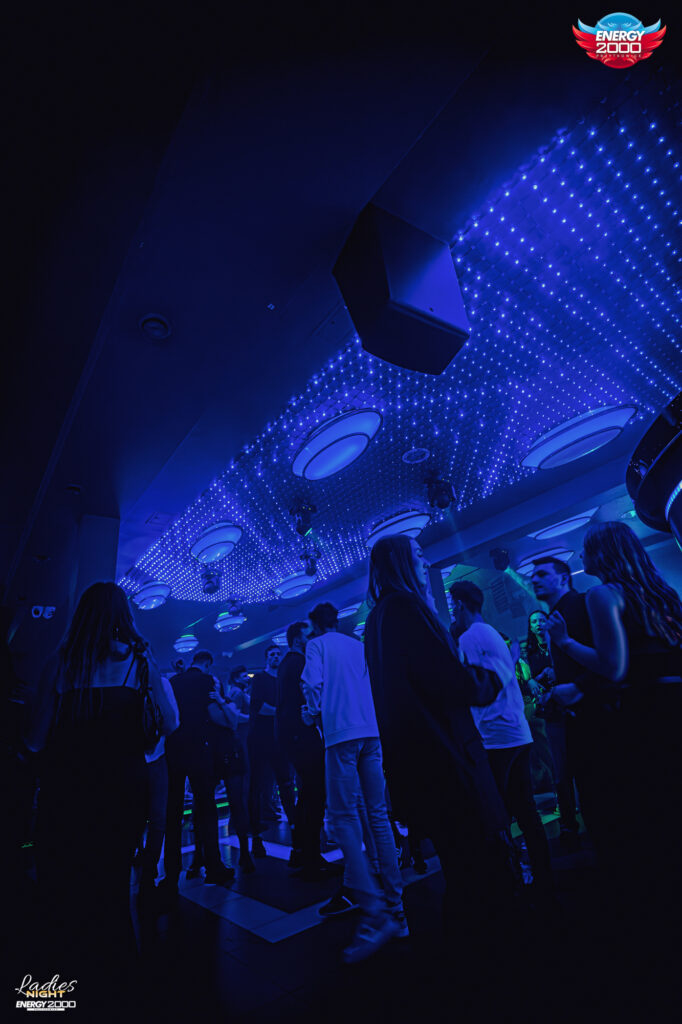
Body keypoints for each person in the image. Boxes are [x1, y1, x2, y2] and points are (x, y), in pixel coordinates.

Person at [25, 582, 179, 990]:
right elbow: (170, 723)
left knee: (64, 884)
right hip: (122, 791)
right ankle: (117, 979)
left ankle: (64, 978)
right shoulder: (139, 663)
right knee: (112, 885)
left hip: (67, 792)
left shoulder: (61, 663)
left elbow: (35, 740)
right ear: (123, 616)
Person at [363, 536, 516, 941]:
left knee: (460, 870)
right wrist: (497, 674)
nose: (425, 560)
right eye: (417, 555)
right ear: (400, 562)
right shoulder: (406, 607)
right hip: (448, 759)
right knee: (479, 873)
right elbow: (449, 681)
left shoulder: (377, 619)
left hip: (421, 764)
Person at [545, 521, 682, 924]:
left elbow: (614, 666)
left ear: (601, 553)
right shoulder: (663, 593)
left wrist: (565, 642)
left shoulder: (603, 594)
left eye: (585, 549)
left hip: (645, 715)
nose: (580, 557)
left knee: (647, 811)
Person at [301, 602, 406, 962]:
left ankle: (374, 913)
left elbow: (311, 684)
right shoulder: (356, 645)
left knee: (343, 819)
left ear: (315, 625)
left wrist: (312, 713)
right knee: (378, 816)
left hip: (341, 735)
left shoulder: (316, 645)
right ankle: (398, 910)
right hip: (370, 733)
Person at [450, 582, 552, 894]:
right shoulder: (492, 633)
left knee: (498, 813)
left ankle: (514, 877)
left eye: (453, 606)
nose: (453, 612)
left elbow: (479, 687)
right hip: (515, 731)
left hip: (496, 735)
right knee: (525, 809)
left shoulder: (470, 637)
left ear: (460, 604)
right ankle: (543, 875)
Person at [162, 650, 235, 905]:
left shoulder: (173, 681)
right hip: (198, 749)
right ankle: (214, 867)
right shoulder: (206, 681)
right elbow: (214, 715)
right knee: (206, 807)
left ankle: (171, 874)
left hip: (173, 749)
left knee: (173, 812)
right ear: (208, 664)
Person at [530, 558, 585, 847]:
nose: (534, 579)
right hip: (562, 711)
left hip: (587, 710)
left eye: (542, 574)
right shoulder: (554, 621)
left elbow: (610, 661)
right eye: (532, 575)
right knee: (565, 773)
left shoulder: (577, 607)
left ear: (563, 577)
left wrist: (577, 686)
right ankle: (571, 826)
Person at [276, 621, 332, 879]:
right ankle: (311, 857)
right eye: (309, 635)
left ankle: (301, 852)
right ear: (299, 640)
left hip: (291, 736)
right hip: (301, 734)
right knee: (315, 792)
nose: (314, 638)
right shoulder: (299, 663)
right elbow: (309, 693)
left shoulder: (286, 664)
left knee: (308, 793)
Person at [247, 644, 296, 856]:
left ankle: (295, 828)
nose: (275, 657)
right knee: (257, 785)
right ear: (267, 658)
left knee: (285, 783)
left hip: (279, 739)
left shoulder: (283, 680)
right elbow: (260, 707)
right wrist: (283, 713)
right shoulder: (260, 679)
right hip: (260, 739)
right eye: (272, 654)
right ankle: (256, 835)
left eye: (278, 654)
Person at [207, 676, 255, 873]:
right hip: (224, 753)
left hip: (228, 754)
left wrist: (220, 701)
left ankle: (244, 852)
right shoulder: (217, 703)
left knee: (237, 803)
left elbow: (233, 721)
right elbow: (232, 720)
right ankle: (243, 854)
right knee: (233, 803)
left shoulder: (223, 700)